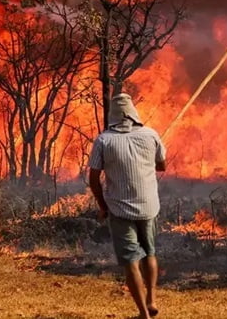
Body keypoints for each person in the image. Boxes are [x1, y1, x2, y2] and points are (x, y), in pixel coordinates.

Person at [89, 93, 166, 319]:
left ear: (112, 116)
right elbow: (162, 166)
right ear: (134, 113)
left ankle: (143, 313)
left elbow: (94, 178)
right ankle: (151, 300)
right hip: (149, 206)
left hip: (120, 209)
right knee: (149, 253)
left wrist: (102, 205)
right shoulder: (150, 134)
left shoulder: (104, 140)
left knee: (130, 260)